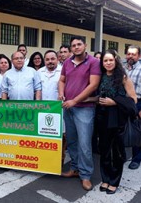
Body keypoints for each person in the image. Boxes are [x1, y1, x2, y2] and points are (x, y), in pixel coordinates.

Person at [58, 36, 101, 191]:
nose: (76, 47)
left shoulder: (94, 62)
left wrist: (74, 101)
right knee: (72, 141)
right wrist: (61, 93)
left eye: (79, 44)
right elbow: (62, 80)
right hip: (68, 107)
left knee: (84, 144)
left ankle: (86, 175)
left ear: (85, 45)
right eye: (73, 45)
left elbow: (93, 85)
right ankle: (75, 169)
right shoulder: (67, 62)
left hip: (84, 108)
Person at [95, 49, 137, 194]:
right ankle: (105, 179)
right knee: (104, 150)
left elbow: (133, 100)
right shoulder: (100, 76)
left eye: (110, 60)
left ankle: (114, 181)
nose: (108, 63)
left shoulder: (123, 77)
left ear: (116, 60)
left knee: (117, 151)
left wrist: (114, 102)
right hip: (101, 118)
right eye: (105, 60)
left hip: (117, 118)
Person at [124, 45, 141, 170]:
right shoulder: (123, 68)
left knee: (137, 132)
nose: (130, 56)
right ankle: (123, 155)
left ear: (139, 56)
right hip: (124, 102)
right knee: (124, 129)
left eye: (133, 54)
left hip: (138, 102)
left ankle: (136, 159)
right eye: (129, 54)